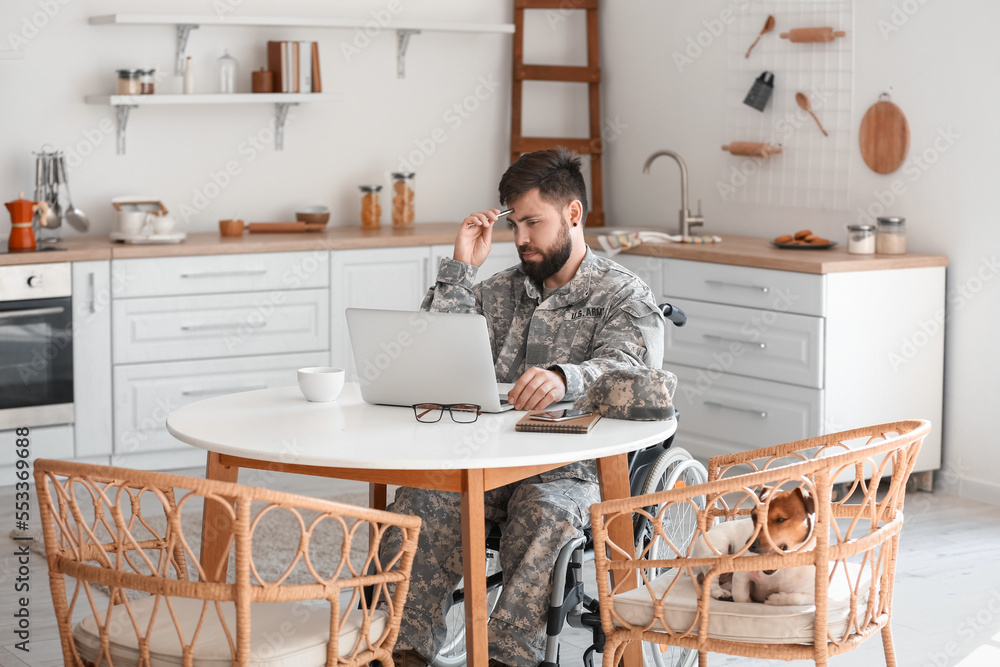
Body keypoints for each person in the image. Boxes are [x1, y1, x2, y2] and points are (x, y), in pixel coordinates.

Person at [382, 148, 665, 667]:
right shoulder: (499, 292)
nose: (521, 240)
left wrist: (566, 377)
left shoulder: (622, 294)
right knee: (418, 502)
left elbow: (634, 373)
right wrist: (460, 269)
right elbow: (433, 356)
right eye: (515, 224)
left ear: (573, 214)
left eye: (534, 222)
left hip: (572, 471)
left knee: (544, 514)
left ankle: (510, 658)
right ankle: (402, 653)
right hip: (487, 461)